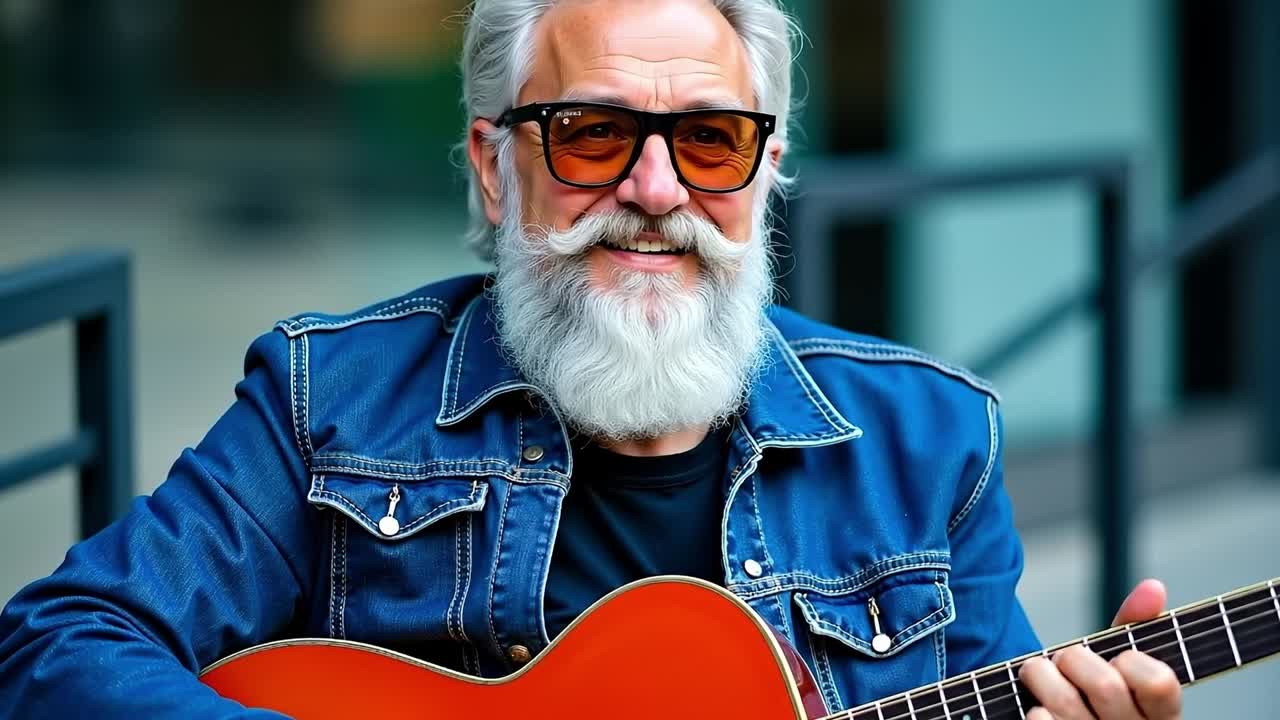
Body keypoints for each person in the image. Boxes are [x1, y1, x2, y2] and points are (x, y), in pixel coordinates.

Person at [0, 1, 1182, 718]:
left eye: (710, 141)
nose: (654, 192)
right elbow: (60, 645)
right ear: (489, 163)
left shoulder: (931, 444)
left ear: (761, 174)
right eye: (594, 134)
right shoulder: (330, 403)